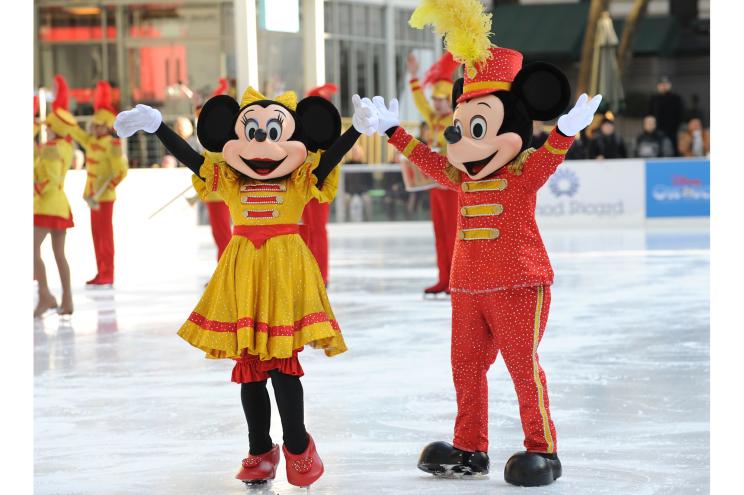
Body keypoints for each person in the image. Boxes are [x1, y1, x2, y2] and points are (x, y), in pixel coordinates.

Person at [354, 0, 602, 485]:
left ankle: (542, 448)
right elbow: (430, 162)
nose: (464, 142)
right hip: (467, 288)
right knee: (466, 370)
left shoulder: (520, 174)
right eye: (461, 130)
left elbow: (548, 158)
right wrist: (392, 132)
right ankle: (470, 447)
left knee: (520, 368)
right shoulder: (463, 179)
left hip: (516, 283)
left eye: (479, 127)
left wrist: (565, 132)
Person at [115, 86, 361, 487]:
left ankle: (298, 446)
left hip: (285, 273)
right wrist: (159, 127)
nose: (262, 147)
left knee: (282, 368)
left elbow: (329, 158)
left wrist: (357, 132)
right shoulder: (230, 181)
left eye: (273, 134)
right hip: (243, 272)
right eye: (252, 134)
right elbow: (193, 160)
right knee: (249, 370)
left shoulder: (299, 178)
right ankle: (260, 448)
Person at [53, 80, 128, 287]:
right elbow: (77, 133)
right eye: (93, 125)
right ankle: (100, 271)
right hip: (93, 197)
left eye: (97, 125)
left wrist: (108, 186)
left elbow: (121, 170)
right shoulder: (92, 142)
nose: (93, 128)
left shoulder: (112, 144)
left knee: (105, 237)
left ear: (106, 126)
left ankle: (108, 273)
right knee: (97, 237)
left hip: (104, 198)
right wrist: (64, 119)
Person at [407, 51, 459, 295]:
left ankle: (454, 279)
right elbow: (420, 103)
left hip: (451, 184)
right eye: (435, 99)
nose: (436, 103)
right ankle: (443, 277)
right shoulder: (433, 118)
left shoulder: (457, 119)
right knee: (439, 233)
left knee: (452, 234)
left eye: (441, 99)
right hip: (434, 183)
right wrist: (414, 77)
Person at [33, 75, 76, 317]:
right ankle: (67, 300)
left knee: (29, 251)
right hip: (60, 204)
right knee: (59, 255)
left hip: (46, 205)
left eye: (49, 126)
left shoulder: (50, 149)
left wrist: (33, 189)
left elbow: (47, 180)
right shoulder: (65, 146)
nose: (46, 129)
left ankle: (45, 295)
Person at [299, 83, 340, 285]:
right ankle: (310, 274)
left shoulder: (328, 133)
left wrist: (324, 186)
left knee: (317, 230)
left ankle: (321, 276)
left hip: (319, 189)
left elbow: (332, 163)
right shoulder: (303, 131)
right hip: (302, 188)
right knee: (306, 230)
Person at [648, 76, 685, 156]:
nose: (663, 86)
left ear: (669, 85)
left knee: (674, 150)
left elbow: (680, 115)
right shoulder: (654, 99)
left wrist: (676, 127)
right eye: (662, 84)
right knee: (657, 151)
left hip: (673, 131)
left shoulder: (676, 98)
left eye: (665, 84)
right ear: (658, 86)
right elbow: (650, 115)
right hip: (657, 131)